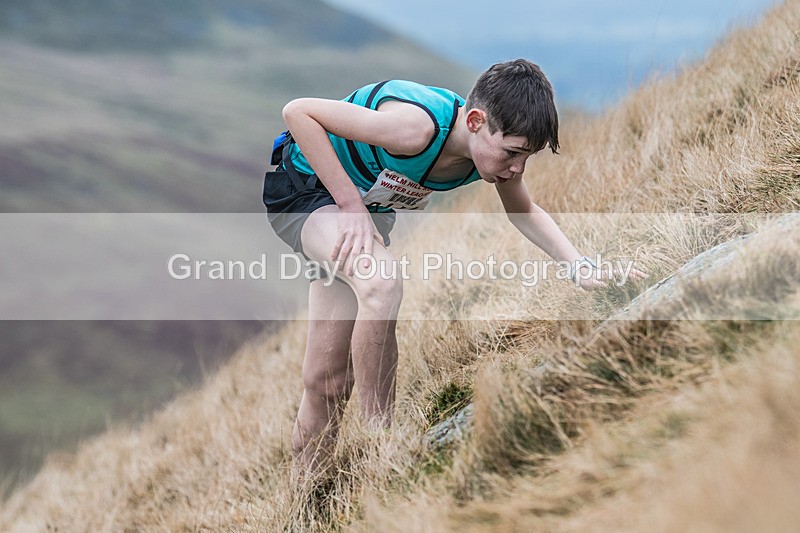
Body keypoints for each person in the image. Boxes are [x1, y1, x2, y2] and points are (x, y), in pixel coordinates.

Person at [263, 59, 639, 473]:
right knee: (382, 282)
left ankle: (303, 495)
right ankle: (380, 441)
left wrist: (580, 266)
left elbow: (524, 211)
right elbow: (298, 112)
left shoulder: (489, 151)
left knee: (327, 381)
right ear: (475, 120)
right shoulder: (414, 129)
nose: (517, 168)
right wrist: (349, 202)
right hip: (309, 191)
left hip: (361, 210)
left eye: (526, 157)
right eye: (513, 153)